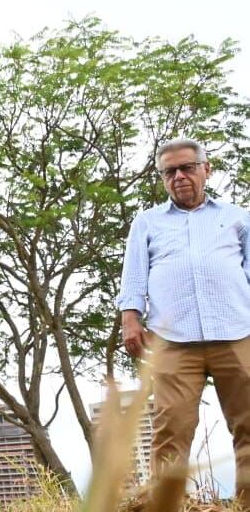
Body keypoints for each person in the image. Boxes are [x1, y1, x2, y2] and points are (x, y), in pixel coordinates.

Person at [118, 138, 250, 508]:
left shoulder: (238, 218)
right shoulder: (147, 222)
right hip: (173, 340)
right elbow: (134, 277)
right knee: (171, 429)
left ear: (206, 169)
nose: (179, 177)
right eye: (169, 172)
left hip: (237, 333)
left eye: (187, 168)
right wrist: (131, 319)